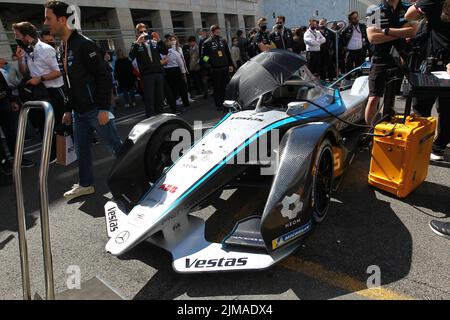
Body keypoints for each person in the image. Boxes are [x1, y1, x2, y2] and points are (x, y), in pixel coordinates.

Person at [44, 0, 123, 200]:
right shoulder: (62, 48)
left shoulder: (84, 44)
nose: (45, 23)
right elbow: (69, 84)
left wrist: (104, 108)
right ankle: (86, 184)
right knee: (82, 151)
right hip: (79, 112)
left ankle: (137, 176)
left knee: (115, 147)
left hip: (96, 110)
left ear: (62, 19)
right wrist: (68, 109)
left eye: (48, 18)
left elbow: (104, 76)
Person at [13, 21, 66, 163]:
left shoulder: (45, 49)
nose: (16, 38)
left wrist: (40, 78)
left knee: (58, 124)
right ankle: (53, 153)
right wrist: (19, 60)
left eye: (17, 35)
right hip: (38, 92)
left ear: (27, 36)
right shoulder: (27, 50)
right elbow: (25, 73)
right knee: (43, 125)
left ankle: (64, 153)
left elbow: (59, 71)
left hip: (54, 91)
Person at [405, 0, 450, 162]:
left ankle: (421, 145)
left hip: (435, 62)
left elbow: (409, 14)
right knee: (447, 110)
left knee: (421, 106)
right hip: (441, 62)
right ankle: (438, 148)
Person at [364, 0, 417, 125]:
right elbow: (372, 38)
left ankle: (386, 124)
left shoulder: (408, 8)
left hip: (401, 58)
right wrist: (401, 32)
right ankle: (369, 133)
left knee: (391, 95)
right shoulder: (373, 9)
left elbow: (413, 31)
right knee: (374, 98)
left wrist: (384, 31)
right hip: (379, 58)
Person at [129, 23, 168, 117]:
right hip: (147, 75)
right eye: (141, 32)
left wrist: (159, 40)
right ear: (137, 33)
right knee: (149, 98)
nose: (143, 33)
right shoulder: (135, 44)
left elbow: (165, 51)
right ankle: (151, 118)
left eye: (145, 31)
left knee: (160, 97)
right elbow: (131, 56)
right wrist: (138, 42)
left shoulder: (154, 42)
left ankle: (160, 117)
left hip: (158, 73)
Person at [201, 25, 234, 111]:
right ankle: (218, 104)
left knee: (224, 87)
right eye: (216, 32)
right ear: (212, 32)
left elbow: (227, 53)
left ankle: (225, 102)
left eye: (219, 32)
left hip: (224, 68)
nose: (218, 34)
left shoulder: (223, 41)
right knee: (217, 88)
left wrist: (230, 64)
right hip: (215, 69)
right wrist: (209, 65)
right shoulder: (207, 43)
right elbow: (204, 57)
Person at [163, 35, 190, 110]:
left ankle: (184, 102)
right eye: (171, 40)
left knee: (181, 88)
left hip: (175, 69)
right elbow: (179, 61)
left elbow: (182, 60)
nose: (173, 41)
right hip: (170, 70)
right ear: (168, 41)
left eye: (174, 40)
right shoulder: (166, 50)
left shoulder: (179, 49)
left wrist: (184, 70)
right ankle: (175, 103)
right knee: (174, 88)